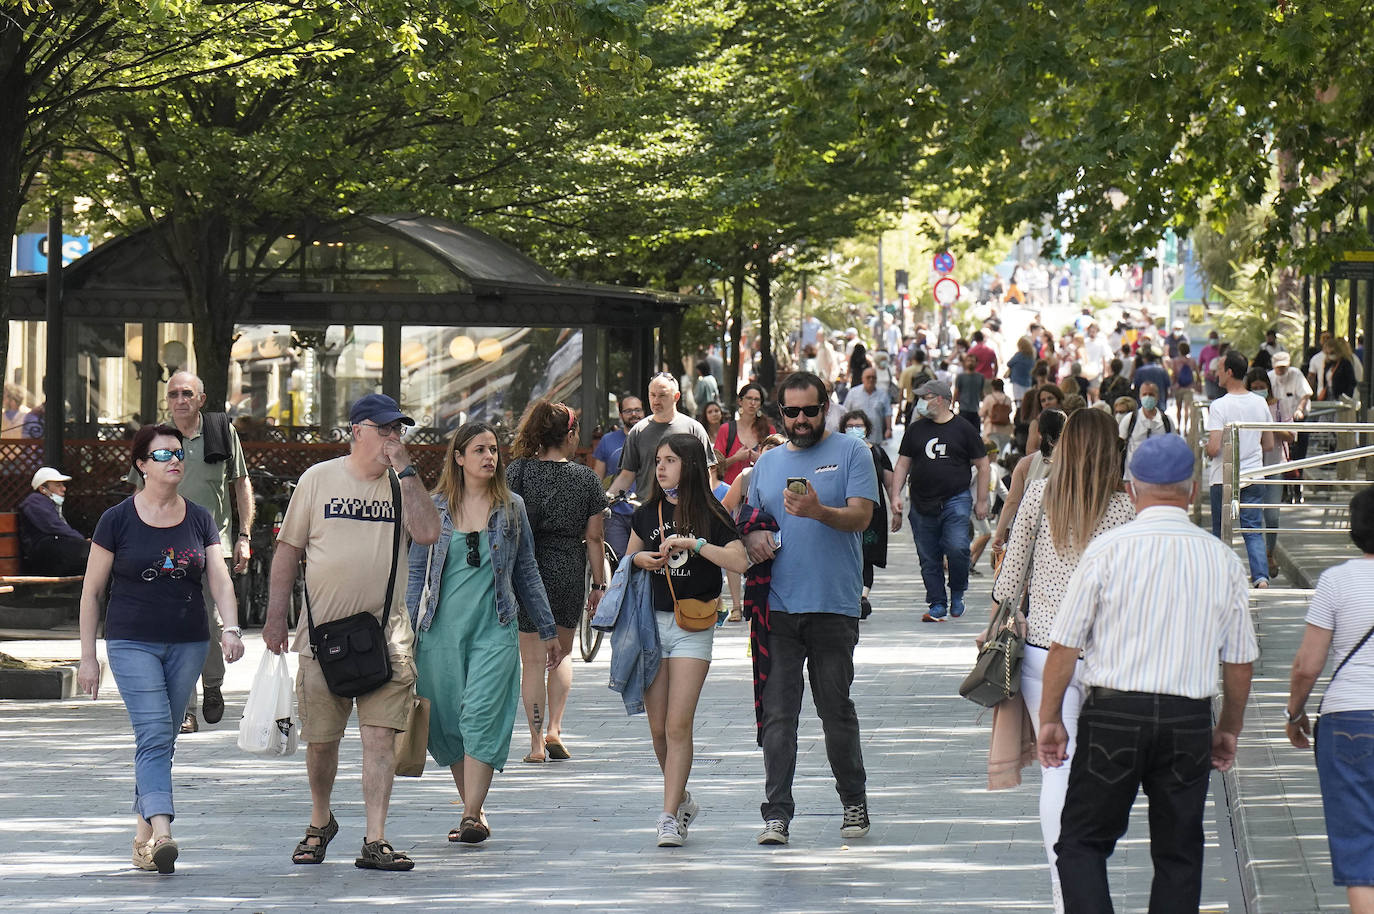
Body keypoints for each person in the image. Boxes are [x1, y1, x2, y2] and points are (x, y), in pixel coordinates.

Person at [1037, 433, 1259, 914]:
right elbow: (1239, 661)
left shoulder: (1108, 550)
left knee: (1080, 843)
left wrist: (1050, 717)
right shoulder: (1222, 559)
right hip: (1187, 719)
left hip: (1113, 714)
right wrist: (1228, 729)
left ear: (1131, 489)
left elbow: (1064, 645)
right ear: (1193, 490)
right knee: (1179, 854)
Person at [262, 393, 441, 872]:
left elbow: (428, 533)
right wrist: (276, 617)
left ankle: (376, 838)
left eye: (398, 430)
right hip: (324, 639)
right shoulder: (318, 480)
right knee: (322, 741)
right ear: (357, 430)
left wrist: (407, 471)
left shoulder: (404, 485)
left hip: (387, 637)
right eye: (384, 429)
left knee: (380, 740)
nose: (393, 438)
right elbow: (287, 551)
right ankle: (321, 821)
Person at [76, 424, 245, 874]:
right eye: (164, 455)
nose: (175, 461)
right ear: (141, 465)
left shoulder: (199, 517)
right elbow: (92, 592)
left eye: (177, 454)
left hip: (189, 642)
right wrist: (88, 657)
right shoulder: (116, 519)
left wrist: (231, 627)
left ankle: (141, 839)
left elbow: (219, 579)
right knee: (153, 734)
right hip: (132, 642)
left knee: (161, 739)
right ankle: (165, 832)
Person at [990, 409, 1135, 912]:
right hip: (1104, 655)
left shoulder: (1041, 495)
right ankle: (1090, 872)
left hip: (1042, 651)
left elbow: (1010, 578)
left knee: (1057, 770)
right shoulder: (1124, 508)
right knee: (1095, 775)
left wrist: (999, 619)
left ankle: (1063, 892)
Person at [407, 421, 563, 845]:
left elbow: (527, 570)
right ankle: (471, 809)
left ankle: (472, 813)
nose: (489, 457)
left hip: (495, 627)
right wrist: (404, 635)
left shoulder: (511, 507)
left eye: (493, 449)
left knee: (480, 716)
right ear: (458, 457)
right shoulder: (434, 507)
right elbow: (416, 575)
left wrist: (548, 629)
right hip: (439, 631)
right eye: (479, 450)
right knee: (448, 724)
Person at [742, 371, 878, 846]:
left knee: (835, 710)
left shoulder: (852, 452)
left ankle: (853, 802)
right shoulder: (768, 462)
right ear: (780, 413)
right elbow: (750, 517)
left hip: (833, 607)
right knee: (778, 717)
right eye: (792, 412)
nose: (801, 420)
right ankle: (776, 814)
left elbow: (862, 515)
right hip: (777, 610)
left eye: (810, 410)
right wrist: (753, 533)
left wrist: (819, 511)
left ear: (826, 408)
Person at [625, 434, 748, 846]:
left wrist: (695, 543)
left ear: (691, 465)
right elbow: (629, 560)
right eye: (658, 461)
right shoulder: (647, 513)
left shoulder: (711, 511)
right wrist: (641, 558)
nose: (660, 468)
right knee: (658, 729)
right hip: (650, 627)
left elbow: (739, 560)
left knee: (678, 725)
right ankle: (680, 798)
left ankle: (667, 816)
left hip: (694, 626)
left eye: (670, 461)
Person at [126, 372, 253, 735]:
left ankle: (212, 683)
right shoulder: (158, 440)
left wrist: (244, 534)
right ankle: (186, 707)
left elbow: (240, 483)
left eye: (187, 393)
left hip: (215, 544)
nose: (180, 399)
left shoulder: (221, 433)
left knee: (208, 621)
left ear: (201, 398)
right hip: (167, 546)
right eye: (173, 394)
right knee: (178, 624)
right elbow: (138, 493)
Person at [1284, 488, 1374, 914]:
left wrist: (1295, 712)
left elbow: (1307, 664)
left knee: (1359, 846)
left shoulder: (1337, 581)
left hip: (1349, 720)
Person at [506, 401, 607, 763]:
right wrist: (599, 586)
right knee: (561, 654)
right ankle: (555, 729)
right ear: (568, 435)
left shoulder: (517, 472)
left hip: (526, 567)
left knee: (532, 661)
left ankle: (535, 745)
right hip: (566, 567)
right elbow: (594, 539)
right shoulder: (586, 479)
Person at [889, 379, 990, 622]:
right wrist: (896, 495)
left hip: (955, 499)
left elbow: (983, 464)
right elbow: (903, 463)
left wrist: (982, 500)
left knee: (957, 547)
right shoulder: (915, 429)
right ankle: (937, 602)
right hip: (922, 502)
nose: (921, 402)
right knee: (928, 556)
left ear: (941, 400)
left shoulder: (964, 429)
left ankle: (957, 591)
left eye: (926, 397)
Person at [1206, 350, 1276, 587]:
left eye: (1219, 369)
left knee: (1221, 529)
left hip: (1223, 477)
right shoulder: (1259, 402)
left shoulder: (1219, 406)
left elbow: (1215, 448)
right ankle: (1261, 577)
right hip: (1254, 474)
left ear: (1229, 372)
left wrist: (1206, 448)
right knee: (1253, 528)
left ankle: (1223, 577)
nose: (1216, 373)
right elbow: (1268, 443)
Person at [608, 373, 715, 512]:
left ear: (676, 397)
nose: (656, 401)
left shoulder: (694, 429)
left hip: (686, 512)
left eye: (662, 395)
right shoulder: (637, 432)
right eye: (652, 395)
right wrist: (605, 500)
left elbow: (705, 476)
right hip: (647, 512)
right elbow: (626, 476)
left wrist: (708, 510)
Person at [991, 409, 1066, 569]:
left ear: (1039, 432)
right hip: (1063, 528)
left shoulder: (1026, 463)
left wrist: (999, 534)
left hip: (1030, 530)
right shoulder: (1074, 461)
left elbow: (1012, 501)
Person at [841, 410, 892, 619]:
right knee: (846, 553)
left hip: (874, 513)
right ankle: (849, 595)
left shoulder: (877, 453)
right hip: (843, 511)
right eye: (850, 426)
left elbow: (889, 481)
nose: (854, 430)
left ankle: (862, 597)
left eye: (859, 426)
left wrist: (897, 506)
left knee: (867, 555)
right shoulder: (838, 452)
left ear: (867, 428)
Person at [591, 395, 644, 558]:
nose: (634, 414)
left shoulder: (651, 438)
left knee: (644, 559)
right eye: (628, 411)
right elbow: (597, 478)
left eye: (637, 410)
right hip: (616, 512)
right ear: (621, 415)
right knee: (619, 558)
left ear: (644, 411)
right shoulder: (608, 440)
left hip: (644, 509)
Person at [17, 467, 90, 575]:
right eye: (58, 485)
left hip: (52, 551)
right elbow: (53, 526)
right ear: (43, 489)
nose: (63, 489)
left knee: (91, 552)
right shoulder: (34, 501)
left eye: (62, 485)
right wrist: (81, 540)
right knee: (90, 551)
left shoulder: (46, 503)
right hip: (43, 555)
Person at [715, 383, 775, 486]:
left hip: (759, 493)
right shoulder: (726, 429)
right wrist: (736, 458)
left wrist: (760, 459)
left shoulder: (769, 430)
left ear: (760, 404)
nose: (752, 403)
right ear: (740, 401)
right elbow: (715, 466)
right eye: (749, 398)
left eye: (756, 400)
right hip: (729, 493)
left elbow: (777, 464)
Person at [1117, 381, 1173, 478]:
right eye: (1144, 394)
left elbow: (1173, 447)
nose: (1148, 397)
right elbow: (1119, 446)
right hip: (1133, 478)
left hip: (1159, 477)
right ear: (1140, 396)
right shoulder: (1130, 420)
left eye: (1151, 394)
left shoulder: (1166, 422)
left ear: (1157, 396)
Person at [842, 366, 892, 444]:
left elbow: (888, 413)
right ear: (863, 379)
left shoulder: (883, 394)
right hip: (856, 435)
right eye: (868, 377)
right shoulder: (853, 392)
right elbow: (845, 412)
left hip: (875, 435)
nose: (871, 379)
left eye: (873, 377)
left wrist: (889, 429)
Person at [1025, 384, 1064, 457]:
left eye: (1050, 398)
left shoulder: (1068, 419)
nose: (1047, 403)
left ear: (1059, 401)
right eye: (1043, 400)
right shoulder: (1036, 423)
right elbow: (1029, 451)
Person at [1171, 340, 1199, 435]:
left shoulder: (1175, 361)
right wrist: (1197, 384)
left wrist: (1172, 387)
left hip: (1178, 387)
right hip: (1189, 387)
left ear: (1179, 350)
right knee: (1187, 408)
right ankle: (1186, 429)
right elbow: (1197, 374)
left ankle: (1178, 427)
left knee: (1178, 408)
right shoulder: (1192, 361)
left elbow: (1174, 375)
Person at [1130, 345, 1171, 410]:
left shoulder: (1139, 371)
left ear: (1144, 359)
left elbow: (1136, 388)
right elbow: (1167, 388)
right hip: (1160, 404)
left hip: (1143, 405)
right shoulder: (1162, 371)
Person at [979, 379, 1015, 452]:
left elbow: (981, 413)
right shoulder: (1008, 399)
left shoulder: (989, 398)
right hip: (1006, 430)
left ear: (993, 387)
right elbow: (1010, 411)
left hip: (991, 429)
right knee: (1002, 452)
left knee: (994, 452)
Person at [1007, 336, 1035, 401]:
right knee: (1027, 400)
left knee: (1018, 400)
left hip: (1017, 381)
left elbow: (1009, 363)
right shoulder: (1031, 356)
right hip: (1028, 381)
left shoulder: (1019, 355)